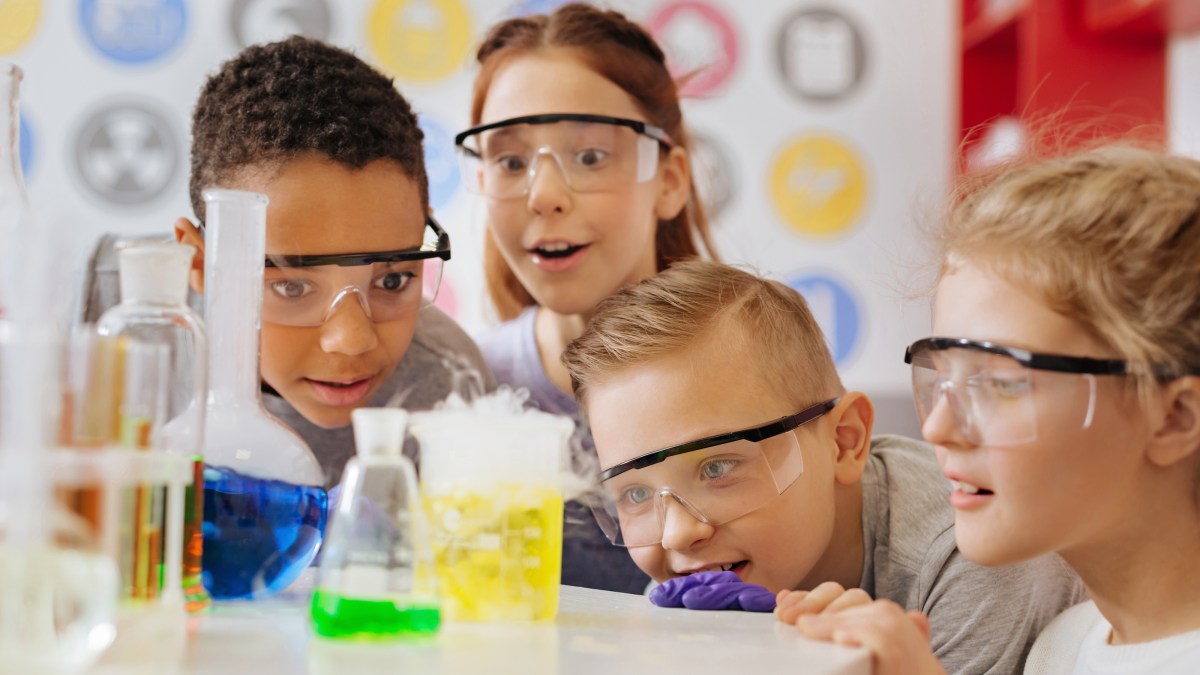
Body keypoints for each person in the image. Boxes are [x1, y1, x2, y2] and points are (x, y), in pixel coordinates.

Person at [782, 145, 1200, 674]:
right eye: (942, 377)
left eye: (1001, 384)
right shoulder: (1063, 647)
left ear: (1175, 417)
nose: (938, 428)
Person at [561, 259, 1085, 674]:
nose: (677, 534)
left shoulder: (971, 559)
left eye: (718, 468)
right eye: (634, 494)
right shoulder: (700, 579)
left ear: (844, 441)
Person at [80, 36, 495, 489]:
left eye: (393, 280)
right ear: (196, 262)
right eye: (292, 287)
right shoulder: (91, 318)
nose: (351, 341)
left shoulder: (449, 387)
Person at [459, 3, 716, 593]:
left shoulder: (759, 380)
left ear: (670, 179)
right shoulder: (464, 391)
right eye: (511, 160)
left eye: (591, 156)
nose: (544, 195)